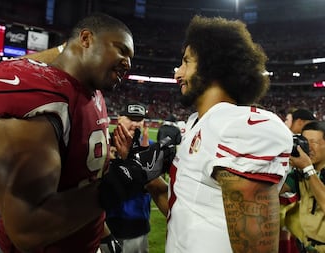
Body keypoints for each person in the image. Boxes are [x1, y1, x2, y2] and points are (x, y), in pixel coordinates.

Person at [0, 13, 134, 253]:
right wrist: (119, 184)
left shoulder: (93, 92)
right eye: (122, 50)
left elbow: (82, 182)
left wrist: (103, 234)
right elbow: (27, 229)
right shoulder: (33, 94)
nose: (128, 63)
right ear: (85, 38)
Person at [146, 15, 293, 252]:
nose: (177, 74)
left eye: (186, 62)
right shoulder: (198, 123)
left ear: (212, 65)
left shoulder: (236, 126)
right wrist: (151, 180)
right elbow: (189, 214)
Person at [102, 102, 152, 253]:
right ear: (119, 119)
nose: (136, 124)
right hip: (105, 227)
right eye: (131, 118)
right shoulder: (103, 145)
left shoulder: (149, 147)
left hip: (137, 228)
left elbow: (152, 186)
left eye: (139, 119)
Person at [281, 121, 325, 253]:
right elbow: (274, 189)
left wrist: (307, 168)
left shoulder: (306, 171)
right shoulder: (299, 174)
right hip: (307, 247)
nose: (308, 148)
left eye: (315, 142)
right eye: (306, 142)